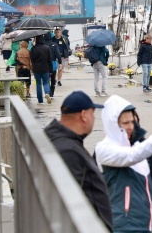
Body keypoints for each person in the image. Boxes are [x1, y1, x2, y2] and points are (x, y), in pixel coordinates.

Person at [94, 95, 152, 232]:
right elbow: (132, 156)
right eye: (125, 123)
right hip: (125, 225)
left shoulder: (136, 145)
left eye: (132, 122)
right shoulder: (104, 149)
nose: (131, 127)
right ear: (112, 123)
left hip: (142, 224)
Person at [43, 91, 112, 230]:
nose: (94, 118)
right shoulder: (67, 150)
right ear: (84, 115)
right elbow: (68, 203)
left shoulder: (58, 139)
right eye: (93, 113)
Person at [29, 35, 52, 104]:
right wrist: (50, 69)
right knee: (46, 82)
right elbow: (49, 59)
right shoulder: (47, 48)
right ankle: (47, 93)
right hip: (45, 67)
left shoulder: (33, 49)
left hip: (36, 68)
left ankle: (40, 100)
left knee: (38, 84)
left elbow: (32, 59)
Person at [44, 33, 62, 98]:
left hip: (45, 64)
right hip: (53, 63)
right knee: (53, 79)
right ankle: (52, 94)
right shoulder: (54, 44)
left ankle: (48, 92)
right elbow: (58, 54)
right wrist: (60, 63)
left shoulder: (43, 45)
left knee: (46, 79)